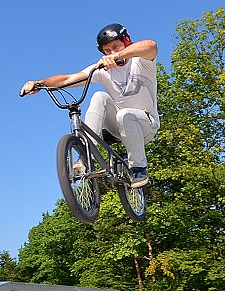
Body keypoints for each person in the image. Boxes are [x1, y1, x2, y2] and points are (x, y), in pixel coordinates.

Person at [20, 24, 159, 188]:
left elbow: (151, 45)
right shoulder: (102, 70)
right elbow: (67, 79)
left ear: (127, 42)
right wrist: (39, 83)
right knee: (99, 96)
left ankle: (139, 168)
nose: (112, 53)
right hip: (118, 126)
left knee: (125, 115)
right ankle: (87, 156)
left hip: (146, 125)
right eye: (107, 51)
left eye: (116, 46)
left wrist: (117, 56)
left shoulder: (141, 62)